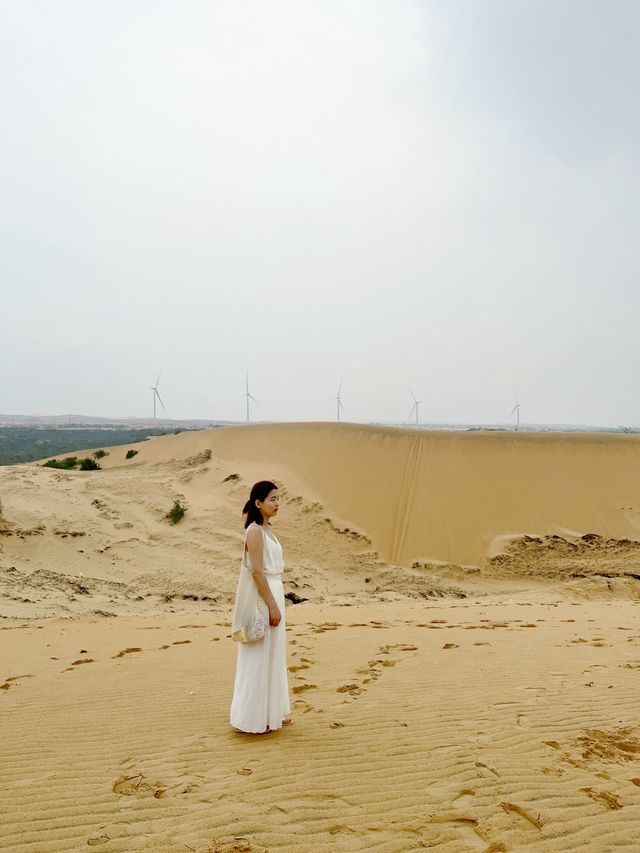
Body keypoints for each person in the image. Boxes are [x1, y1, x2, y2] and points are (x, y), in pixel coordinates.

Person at [230, 480, 292, 733]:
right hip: (264, 596)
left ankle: (272, 712)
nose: (277, 504)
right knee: (259, 656)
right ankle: (254, 718)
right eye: (272, 499)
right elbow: (256, 571)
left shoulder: (268, 531)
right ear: (258, 503)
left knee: (273, 656)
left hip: (274, 591)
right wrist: (272, 606)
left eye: (278, 499)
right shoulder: (255, 531)